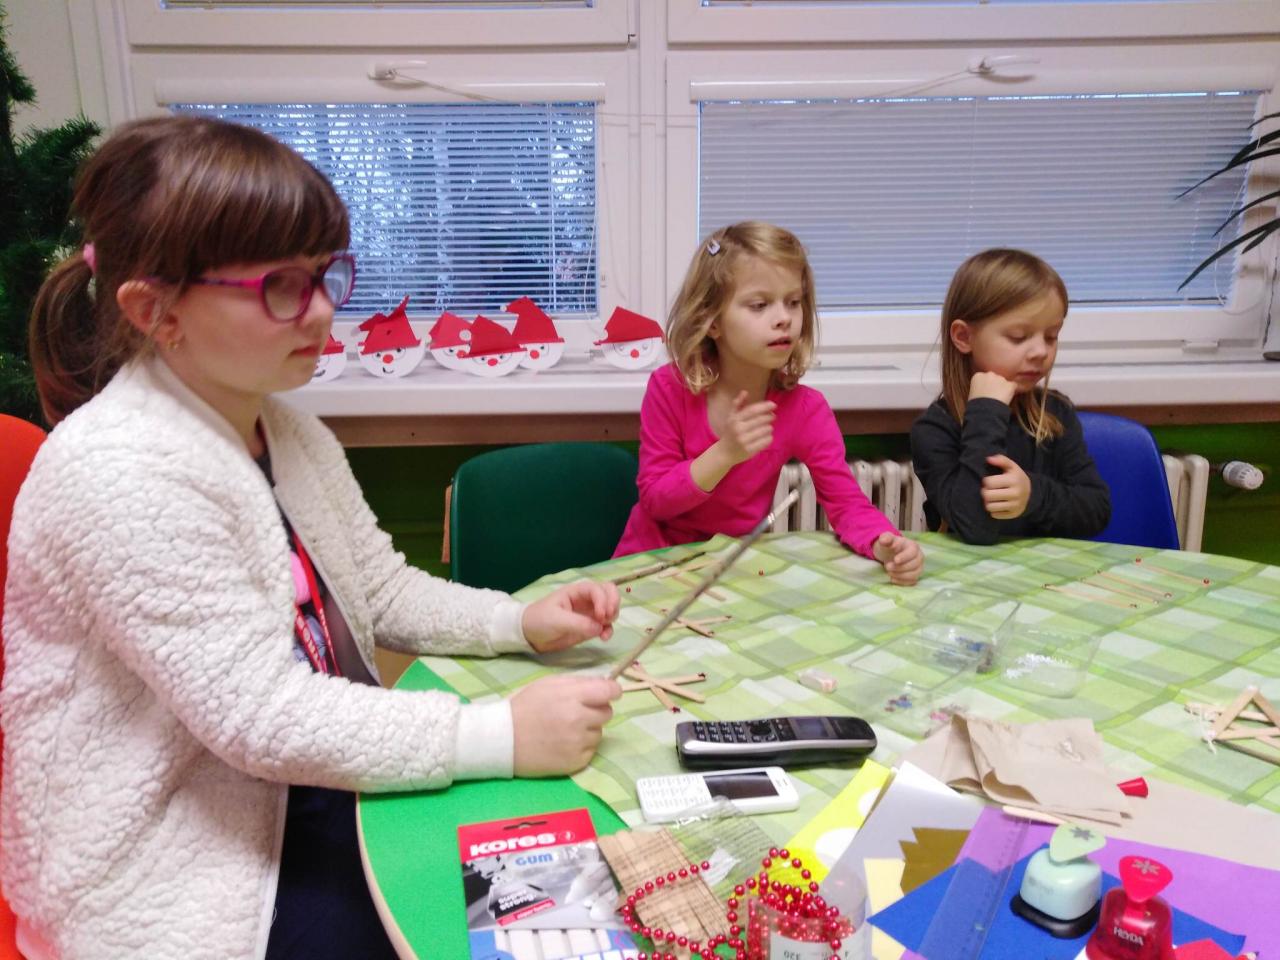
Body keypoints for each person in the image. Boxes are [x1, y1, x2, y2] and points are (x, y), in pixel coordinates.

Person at [1, 115, 622, 960]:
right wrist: (500, 734)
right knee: (492, 923)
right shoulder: (116, 469)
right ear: (156, 311)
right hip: (178, 869)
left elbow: (381, 588)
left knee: (565, 898)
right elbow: (259, 713)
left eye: (326, 274)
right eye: (281, 286)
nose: (324, 309)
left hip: (300, 788)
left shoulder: (285, 428)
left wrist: (518, 622)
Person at [614, 221, 924, 586]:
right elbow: (656, 501)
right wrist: (725, 453)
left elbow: (846, 503)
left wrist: (884, 543)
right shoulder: (669, 388)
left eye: (793, 302)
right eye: (760, 305)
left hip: (728, 571)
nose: (783, 319)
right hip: (648, 566)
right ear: (711, 321)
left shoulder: (805, 409)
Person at [910, 248, 1110, 546]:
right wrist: (985, 412)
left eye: (1051, 336)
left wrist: (1033, 495)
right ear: (964, 337)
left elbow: (1096, 509)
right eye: (1018, 337)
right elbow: (974, 527)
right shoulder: (935, 429)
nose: (1041, 351)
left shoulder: (1055, 413)